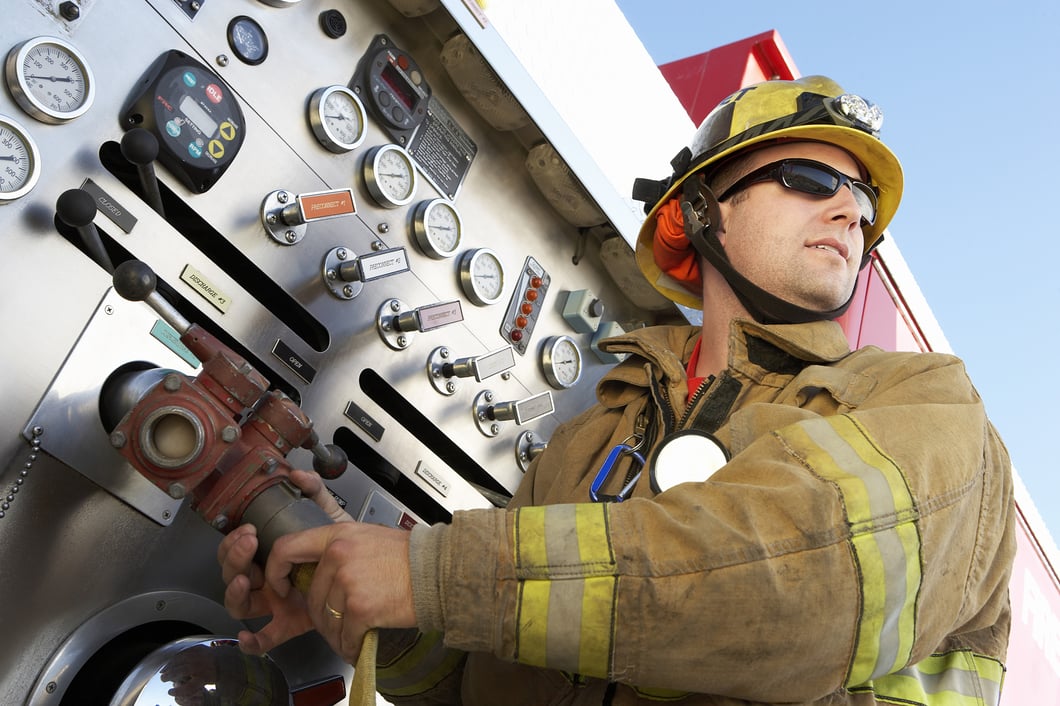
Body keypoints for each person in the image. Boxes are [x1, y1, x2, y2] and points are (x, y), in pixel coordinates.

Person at [219, 75, 1016, 705]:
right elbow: (477, 677)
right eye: (810, 178)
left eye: (866, 204)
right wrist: (361, 596)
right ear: (702, 211)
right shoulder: (595, 432)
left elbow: (795, 584)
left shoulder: (924, 405)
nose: (851, 212)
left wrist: (431, 573)